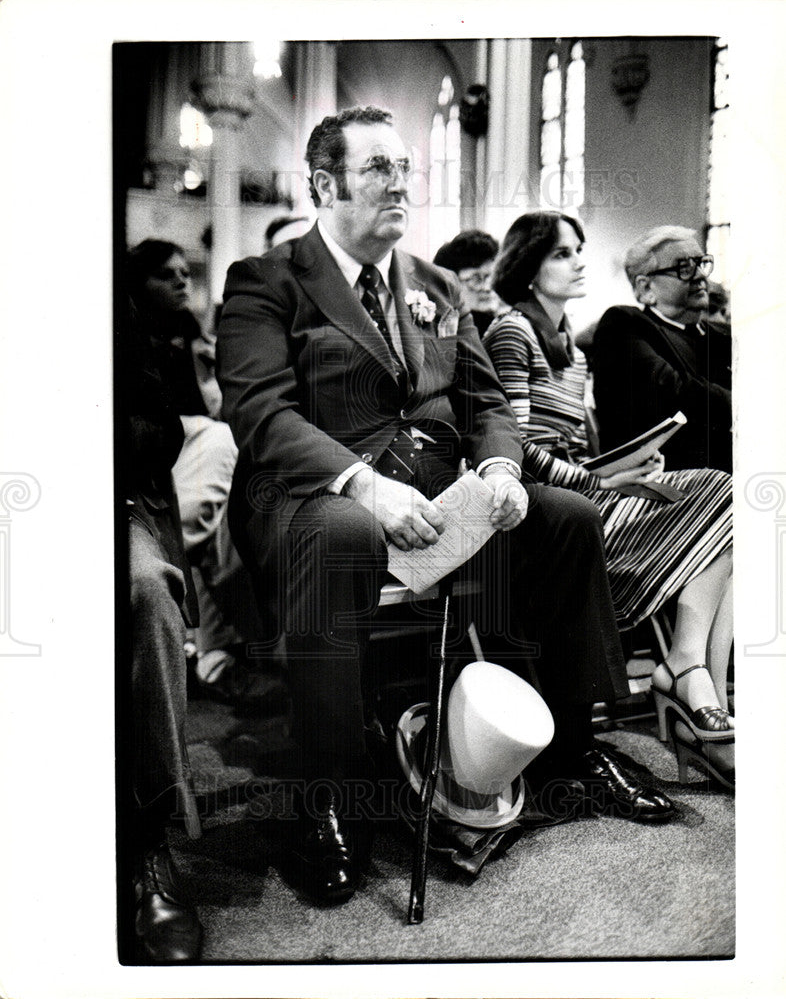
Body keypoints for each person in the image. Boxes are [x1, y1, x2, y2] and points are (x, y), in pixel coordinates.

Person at [216, 106, 676, 907]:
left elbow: (486, 400)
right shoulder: (269, 282)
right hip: (316, 502)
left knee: (561, 517)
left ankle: (572, 750)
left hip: (439, 504)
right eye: (377, 170)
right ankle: (328, 794)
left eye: (405, 168)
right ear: (324, 184)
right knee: (341, 532)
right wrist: (364, 484)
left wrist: (499, 467)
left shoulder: (431, 285)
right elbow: (261, 413)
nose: (400, 184)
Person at [483, 211, 733, 782]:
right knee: (718, 493)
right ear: (527, 269)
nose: (578, 262)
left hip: (584, 489)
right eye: (561, 254)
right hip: (536, 508)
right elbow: (514, 450)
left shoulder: (570, 348)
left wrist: (628, 463)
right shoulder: (512, 333)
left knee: (731, 504)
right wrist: (606, 480)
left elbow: (573, 448)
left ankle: (700, 683)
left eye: (578, 250)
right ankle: (690, 675)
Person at [127, 240, 260, 695]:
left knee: (224, 517)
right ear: (138, 282)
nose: (183, 281)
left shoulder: (185, 327)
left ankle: (214, 651)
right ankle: (213, 652)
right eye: (168, 275)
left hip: (190, 439)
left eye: (186, 272)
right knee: (206, 520)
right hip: (158, 447)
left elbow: (203, 399)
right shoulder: (128, 331)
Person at [118, 298, 203, 962]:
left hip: (108, 502)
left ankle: (149, 840)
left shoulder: (114, 308)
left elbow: (162, 427)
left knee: (146, 588)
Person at [591, 226, 732, 473]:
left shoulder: (722, 336)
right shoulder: (624, 325)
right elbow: (676, 395)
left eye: (702, 263)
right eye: (684, 268)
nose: (700, 276)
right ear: (646, 288)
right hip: (664, 480)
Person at [433, 229, 504, 336]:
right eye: (476, 278)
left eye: (491, 277)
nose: (487, 288)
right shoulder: (444, 332)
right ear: (451, 284)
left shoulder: (503, 327)